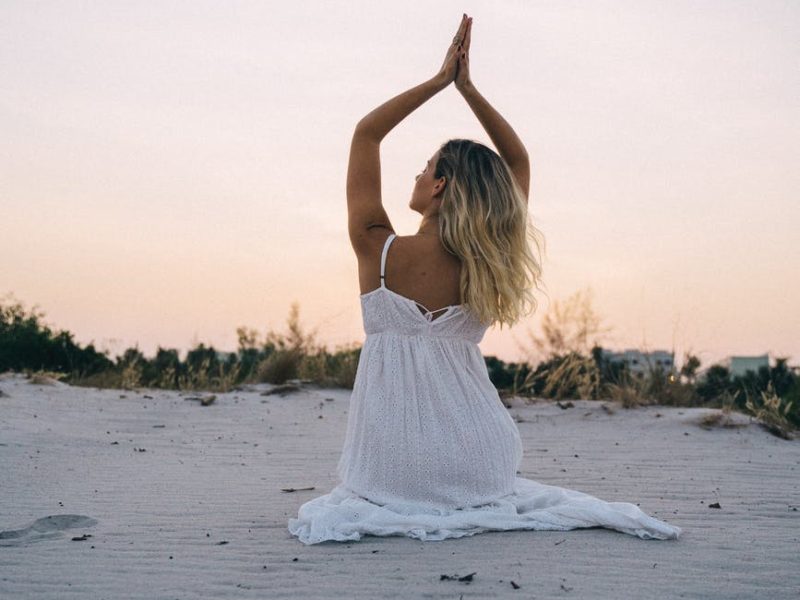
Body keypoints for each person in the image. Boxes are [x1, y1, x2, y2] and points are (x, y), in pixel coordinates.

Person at [288, 14, 681, 544]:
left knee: (371, 493)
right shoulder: (488, 260)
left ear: (441, 185)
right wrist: (469, 90)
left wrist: (438, 81)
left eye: (426, 167)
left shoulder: (378, 249)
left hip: (386, 469)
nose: (417, 175)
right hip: (479, 463)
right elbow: (516, 158)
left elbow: (367, 133)